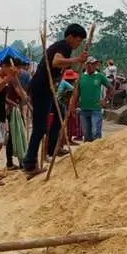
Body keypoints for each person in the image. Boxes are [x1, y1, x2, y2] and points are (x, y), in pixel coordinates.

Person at [22, 23, 88, 178]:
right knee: (40, 127)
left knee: (53, 118)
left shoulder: (64, 47)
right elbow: (56, 62)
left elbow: (56, 69)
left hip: (46, 89)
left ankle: (49, 150)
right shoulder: (64, 46)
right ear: (71, 37)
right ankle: (30, 163)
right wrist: (77, 59)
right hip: (41, 88)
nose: (79, 44)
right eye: (79, 40)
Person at [0, 56, 26, 186]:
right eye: (10, 68)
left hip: (0, 115)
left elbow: (3, 95)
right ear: (4, 66)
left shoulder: (5, 78)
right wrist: (9, 77)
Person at [72, 56, 111, 142]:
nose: (92, 66)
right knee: (86, 134)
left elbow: (110, 88)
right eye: (90, 64)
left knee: (95, 133)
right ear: (86, 65)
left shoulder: (100, 76)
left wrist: (105, 100)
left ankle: (97, 153)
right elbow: (77, 93)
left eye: (94, 64)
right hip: (84, 109)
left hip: (96, 109)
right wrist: (73, 107)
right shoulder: (80, 77)